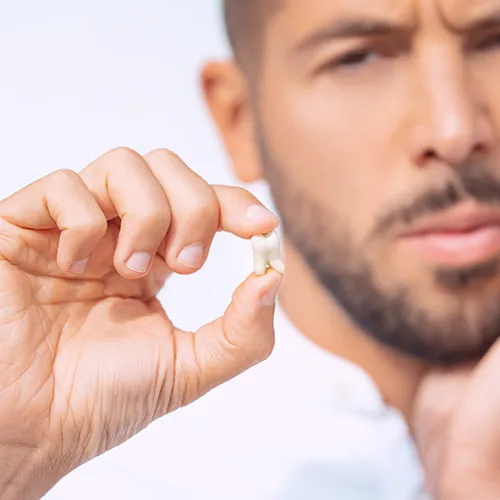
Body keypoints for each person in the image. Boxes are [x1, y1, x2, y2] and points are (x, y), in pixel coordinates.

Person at [2, 0, 500, 498]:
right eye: (357, 57)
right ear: (238, 120)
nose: (455, 131)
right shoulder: (100, 477)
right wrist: (16, 455)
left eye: (495, 40)